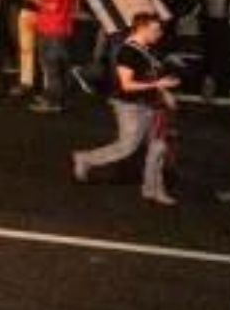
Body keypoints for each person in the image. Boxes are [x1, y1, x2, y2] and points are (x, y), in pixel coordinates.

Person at [71, 11, 180, 206]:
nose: (159, 33)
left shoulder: (147, 49)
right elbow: (127, 85)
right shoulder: (127, 52)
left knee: (159, 147)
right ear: (142, 28)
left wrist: (164, 93)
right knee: (127, 147)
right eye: (155, 29)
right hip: (131, 106)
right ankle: (85, 158)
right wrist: (157, 86)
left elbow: (151, 77)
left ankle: (154, 189)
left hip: (151, 105)